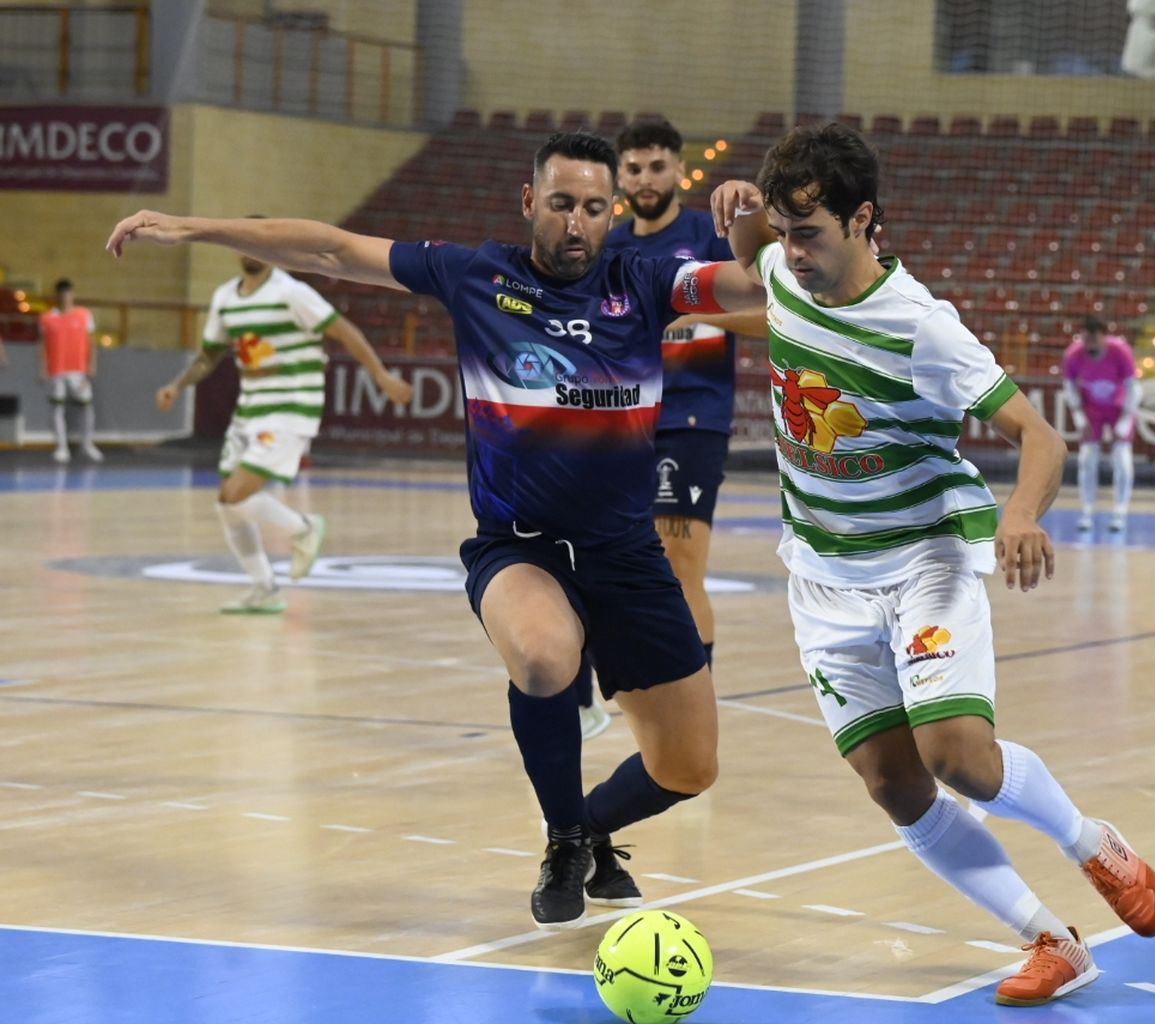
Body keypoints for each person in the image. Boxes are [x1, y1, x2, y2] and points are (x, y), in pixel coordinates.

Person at [108, 131, 767, 930]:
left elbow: (760, 283)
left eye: (595, 208)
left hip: (625, 552)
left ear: (612, 212)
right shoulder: (476, 275)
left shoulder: (645, 279)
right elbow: (331, 248)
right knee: (543, 653)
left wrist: (751, 223)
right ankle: (563, 836)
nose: (577, 224)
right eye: (562, 204)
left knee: (689, 766)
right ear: (531, 202)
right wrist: (193, 227)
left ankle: (594, 826)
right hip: (518, 546)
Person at [710, 124, 1155, 1008]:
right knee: (893, 781)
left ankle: (1089, 841)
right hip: (823, 574)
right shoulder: (780, 269)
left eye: (809, 233)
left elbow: (1039, 434)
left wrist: (1022, 511)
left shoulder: (922, 327)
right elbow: (754, 256)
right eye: (784, 231)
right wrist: (741, 218)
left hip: (924, 559)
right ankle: (1051, 940)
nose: (792, 252)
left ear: (863, 219)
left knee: (958, 755)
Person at [584, 117, 768, 742]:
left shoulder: (706, 237)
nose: (643, 179)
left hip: (691, 418)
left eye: (656, 166)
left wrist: (691, 307)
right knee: (594, 555)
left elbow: (772, 317)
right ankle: (589, 689)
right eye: (632, 169)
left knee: (681, 565)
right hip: (619, 419)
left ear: (677, 170)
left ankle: (698, 712)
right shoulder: (608, 246)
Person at [152, 242, 412, 613]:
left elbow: (343, 330)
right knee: (228, 505)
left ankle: (303, 528)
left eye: (259, 245)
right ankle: (264, 589)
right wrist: (177, 385)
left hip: (290, 405)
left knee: (237, 495)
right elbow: (210, 355)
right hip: (250, 409)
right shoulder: (225, 297)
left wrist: (381, 375)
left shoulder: (292, 292)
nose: (251, 251)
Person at [1061, 316, 1141, 533]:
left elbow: (1133, 388)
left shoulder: (1121, 352)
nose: (1090, 346)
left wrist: (1125, 422)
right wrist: (1079, 417)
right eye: (1086, 340)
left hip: (1119, 407)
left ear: (1105, 337)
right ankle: (1087, 511)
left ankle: (1120, 512)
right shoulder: (1073, 355)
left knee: (1122, 459)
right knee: (1087, 459)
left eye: (1094, 341)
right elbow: (1069, 388)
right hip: (1092, 409)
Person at [38, 279, 102, 464]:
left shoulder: (84, 315)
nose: (66, 297)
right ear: (57, 295)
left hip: (79, 370)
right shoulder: (47, 318)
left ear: (73, 294)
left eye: (69, 293)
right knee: (57, 408)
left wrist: (92, 365)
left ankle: (87, 444)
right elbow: (41, 345)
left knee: (86, 406)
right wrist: (43, 367)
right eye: (62, 294)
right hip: (56, 369)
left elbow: (92, 342)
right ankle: (61, 447)